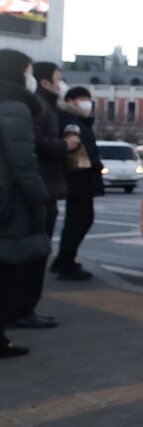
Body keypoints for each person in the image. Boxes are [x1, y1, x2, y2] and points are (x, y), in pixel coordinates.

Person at [12, 61, 77, 329]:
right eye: (58, 79)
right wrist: (65, 144)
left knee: (35, 252)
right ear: (45, 82)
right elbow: (33, 145)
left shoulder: (43, 104)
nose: (61, 84)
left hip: (45, 185)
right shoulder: (37, 106)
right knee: (34, 253)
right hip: (41, 188)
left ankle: (24, 308)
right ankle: (23, 309)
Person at [0, 50, 52, 357]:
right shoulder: (17, 109)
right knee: (7, 273)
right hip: (9, 204)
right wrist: (39, 197)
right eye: (28, 70)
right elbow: (23, 163)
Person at [51, 85, 104, 281]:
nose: (87, 103)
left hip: (80, 177)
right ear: (71, 101)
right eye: (82, 99)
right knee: (80, 220)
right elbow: (78, 150)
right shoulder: (71, 121)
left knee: (77, 220)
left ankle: (63, 260)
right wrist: (96, 165)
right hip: (78, 176)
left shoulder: (79, 120)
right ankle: (66, 263)